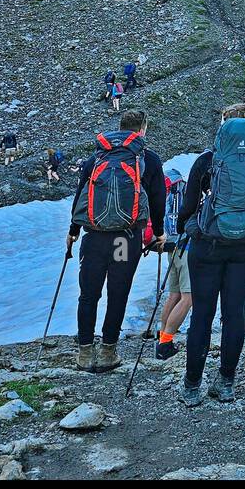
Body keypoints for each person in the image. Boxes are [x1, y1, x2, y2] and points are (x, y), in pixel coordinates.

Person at [177, 103, 245, 405]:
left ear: (224, 126)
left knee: (202, 315)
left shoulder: (208, 160)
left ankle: (192, 386)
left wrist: (187, 227)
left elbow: (189, 204)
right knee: (234, 315)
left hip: (208, 246)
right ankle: (226, 383)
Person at [68, 110, 166, 373]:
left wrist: (73, 230)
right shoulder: (148, 159)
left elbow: (82, 194)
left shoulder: (96, 157)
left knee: (88, 295)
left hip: (94, 237)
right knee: (117, 293)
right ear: (142, 130)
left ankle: (85, 353)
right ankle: (109, 350)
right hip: (125, 238)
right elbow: (158, 199)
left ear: (120, 127)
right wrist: (159, 232)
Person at [154, 170, 192, 359]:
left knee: (174, 295)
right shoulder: (185, 190)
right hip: (187, 247)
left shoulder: (167, 191)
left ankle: (162, 337)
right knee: (188, 298)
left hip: (171, 247)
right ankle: (165, 342)